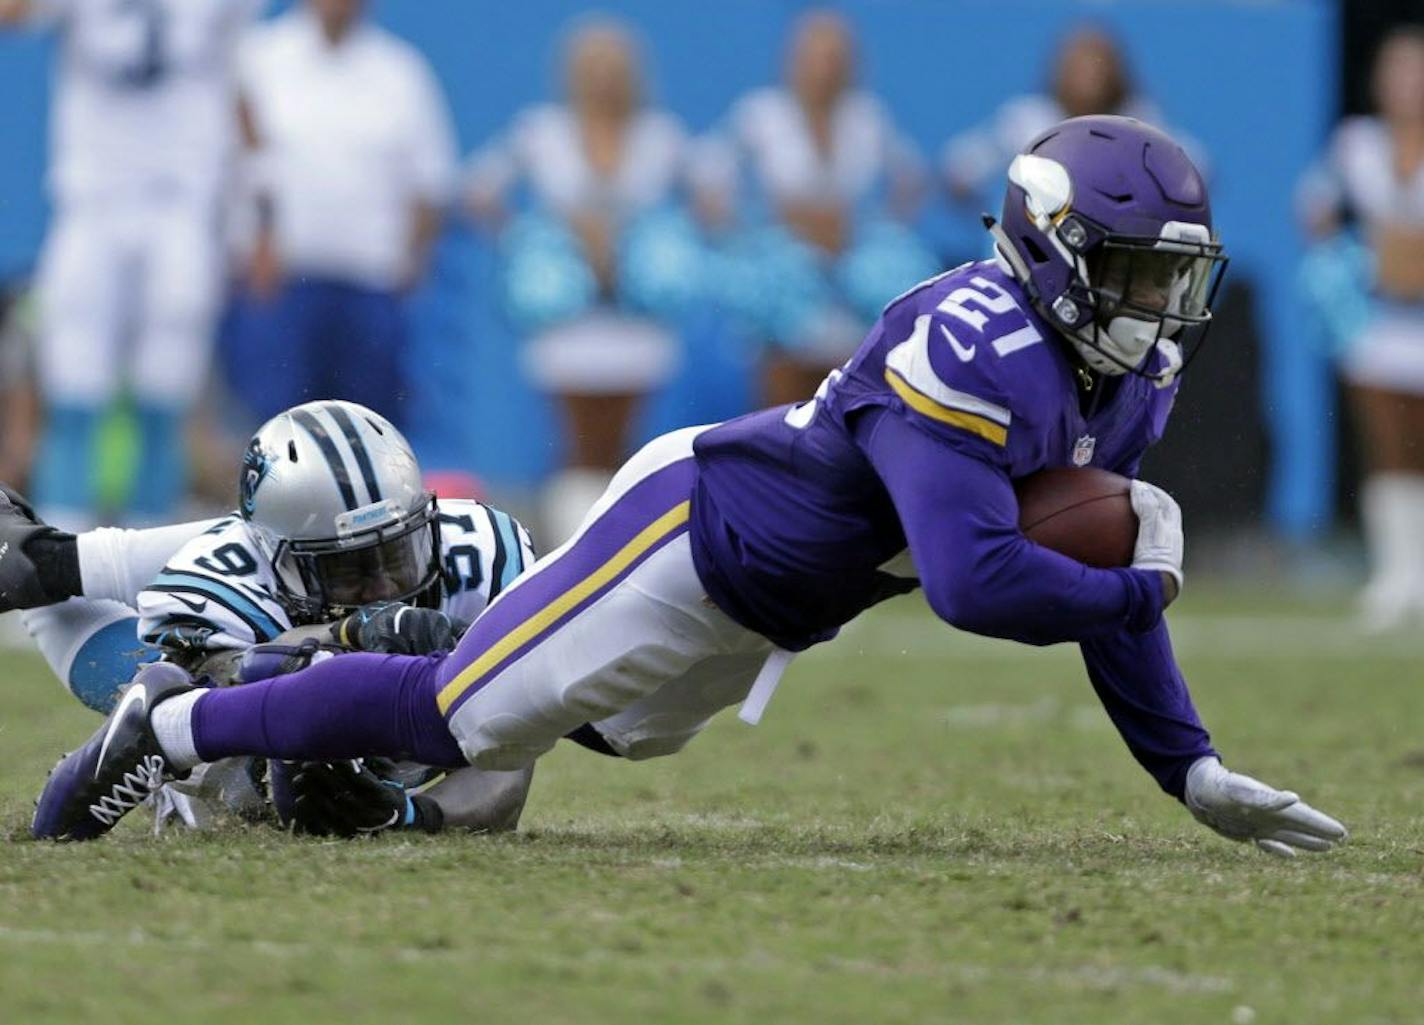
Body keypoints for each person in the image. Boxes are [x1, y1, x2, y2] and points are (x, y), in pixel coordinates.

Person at [34, 117, 1348, 859]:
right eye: (1128, 269)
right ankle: (178, 724)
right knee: (459, 722)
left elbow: (1098, 574)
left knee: (601, 731)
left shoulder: (1127, 373)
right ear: (1052, 254)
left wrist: (1189, 767)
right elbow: (974, 580)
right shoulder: (972, 347)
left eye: (1169, 273)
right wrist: (1142, 586)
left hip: (772, 604)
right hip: (696, 534)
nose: (1154, 304)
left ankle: (351, 660)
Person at [7, 399, 536, 835]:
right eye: (347, 570)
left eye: (397, 556)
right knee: (242, 781)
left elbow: (513, 751)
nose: (381, 589)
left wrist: (415, 817)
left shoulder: (481, 554)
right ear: (273, 558)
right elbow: (237, 698)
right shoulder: (224, 575)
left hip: (279, 549)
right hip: (225, 651)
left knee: (505, 706)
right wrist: (349, 633)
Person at [0, 0, 264, 529]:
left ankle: (147, 559)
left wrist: (257, 212)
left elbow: (240, 81)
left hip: (181, 207)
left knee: (164, 396)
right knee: (74, 389)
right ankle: (61, 561)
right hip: (93, 202)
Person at [464, 18, 704, 544]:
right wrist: (533, 241)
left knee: (627, 440)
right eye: (593, 68)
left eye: (615, 69)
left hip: (634, 315)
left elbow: (710, 198)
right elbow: (480, 190)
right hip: (567, 314)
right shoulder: (540, 131)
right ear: (571, 73)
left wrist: (659, 246)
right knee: (578, 441)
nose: (605, 80)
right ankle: (576, 546)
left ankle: (623, 543)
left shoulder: (660, 136)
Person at [224, 0, 457, 427]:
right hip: (283, 285)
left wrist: (409, 266)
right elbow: (233, 166)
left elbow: (429, 182)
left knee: (368, 430)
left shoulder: (400, 72)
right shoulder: (258, 58)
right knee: (277, 429)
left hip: (370, 285)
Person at [693, 10, 934, 408]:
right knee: (782, 378)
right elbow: (708, 172)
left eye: (835, 57)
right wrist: (749, 225)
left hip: (849, 266)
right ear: (793, 60)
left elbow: (910, 177)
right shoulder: (761, 114)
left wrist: (872, 225)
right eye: (816, 56)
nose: (825, 69)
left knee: (850, 374)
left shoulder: (867, 118)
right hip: (783, 268)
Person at [1297, 26, 1424, 631]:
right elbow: (1314, 206)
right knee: (1388, 449)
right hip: (1378, 322)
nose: (1409, 86)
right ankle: (1398, 576)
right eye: (1398, 72)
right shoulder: (1356, 143)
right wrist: (1351, 260)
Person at [942, 25, 1204, 211]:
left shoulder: (1139, 121)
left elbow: (1197, 170)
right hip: (1032, 238)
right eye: (1078, 66)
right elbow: (961, 169)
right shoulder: (1025, 119)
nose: (1088, 77)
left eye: (1097, 67)